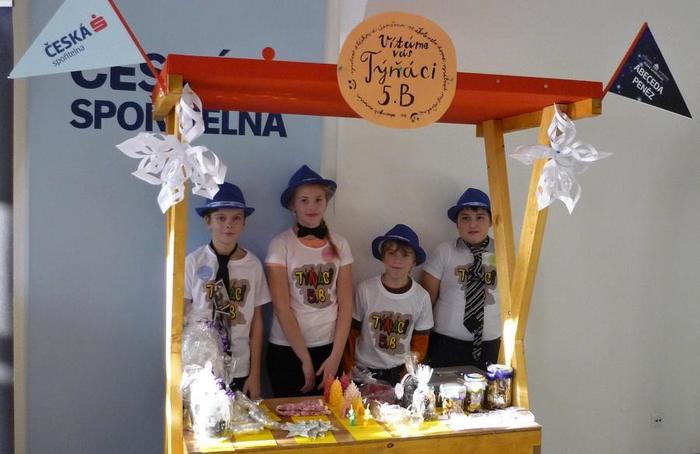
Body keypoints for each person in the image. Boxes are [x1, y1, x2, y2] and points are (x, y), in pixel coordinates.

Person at [265, 164, 353, 397]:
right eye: (304, 200)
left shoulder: (341, 243)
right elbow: (282, 308)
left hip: (330, 348)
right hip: (288, 349)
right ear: (292, 205)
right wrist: (304, 359)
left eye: (318, 200)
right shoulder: (280, 245)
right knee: (290, 415)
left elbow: (346, 305)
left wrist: (335, 357)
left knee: (331, 416)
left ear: (326, 202)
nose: (312, 206)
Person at [184, 182, 270, 398]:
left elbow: (257, 323)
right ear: (208, 221)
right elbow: (181, 316)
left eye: (236, 218)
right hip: (201, 367)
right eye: (221, 218)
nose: (228, 224)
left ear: (244, 223)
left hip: (241, 366)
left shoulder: (253, 266)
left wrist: (255, 374)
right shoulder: (193, 262)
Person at [342, 224, 433, 386]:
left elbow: (420, 343)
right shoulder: (365, 290)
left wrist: (406, 375)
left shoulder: (421, 297)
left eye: (405, 255)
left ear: (414, 261)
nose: (397, 260)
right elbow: (351, 334)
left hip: (398, 373)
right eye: (391, 253)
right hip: (363, 371)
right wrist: (349, 368)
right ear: (383, 257)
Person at [420, 188, 500, 370]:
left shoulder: (504, 253)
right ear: (457, 224)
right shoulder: (444, 252)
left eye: (480, 217)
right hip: (446, 345)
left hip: (489, 346)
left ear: (490, 221)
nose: (473, 224)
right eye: (465, 218)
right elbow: (426, 302)